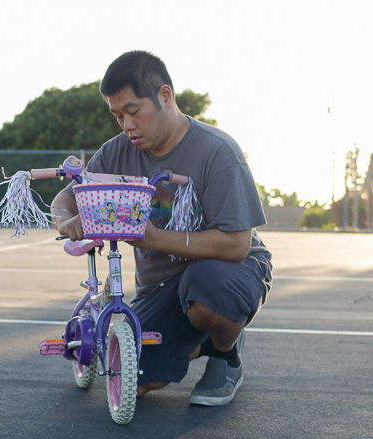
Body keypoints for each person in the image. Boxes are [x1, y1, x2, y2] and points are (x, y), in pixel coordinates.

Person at [51, 50, 272, 406]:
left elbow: (236, 246)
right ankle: (197, 339)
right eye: (117, 115)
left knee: (209, 290)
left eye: (134, 112)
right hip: (161, 288)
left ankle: (224, 354)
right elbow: (67, 196)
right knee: (131, 379)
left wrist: (154, 237)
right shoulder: (116, 152)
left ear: (165, 97)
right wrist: (66, 220)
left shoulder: (217, 151)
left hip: (228, 271)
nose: (126, 125)